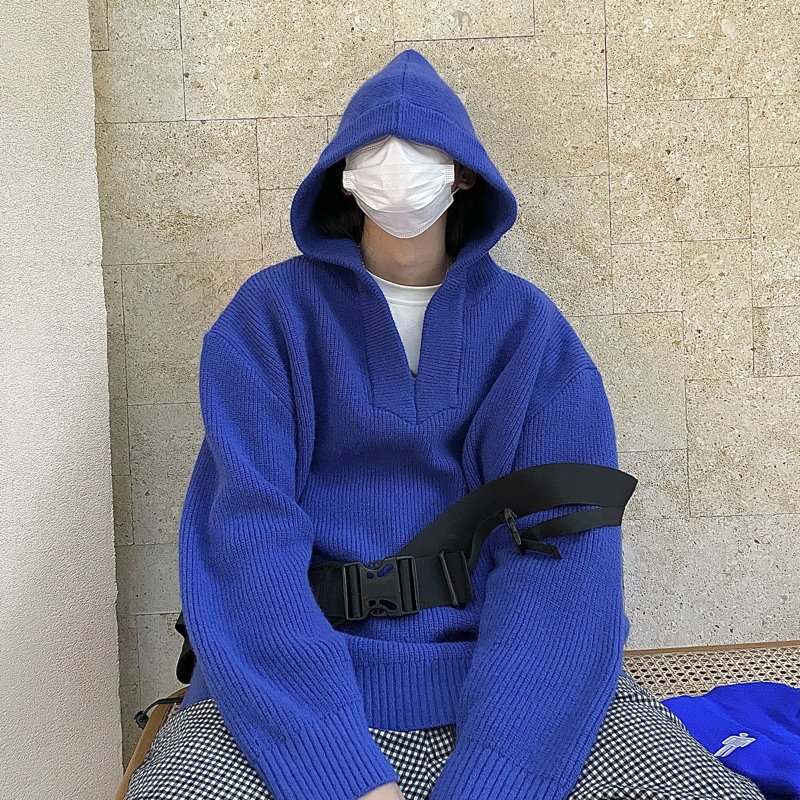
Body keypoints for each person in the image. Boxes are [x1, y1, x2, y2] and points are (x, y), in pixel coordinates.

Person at [124, 49, 768, 800]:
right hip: (294, 693)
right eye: (373, 149)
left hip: (507, 690)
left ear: (463, 174)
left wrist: (499, 776)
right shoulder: (266, 322)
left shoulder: (532, 335)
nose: (396, 167)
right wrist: (339, 775)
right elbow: (245, 547)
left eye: (421, 149)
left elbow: (568, 562)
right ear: (342, 171)